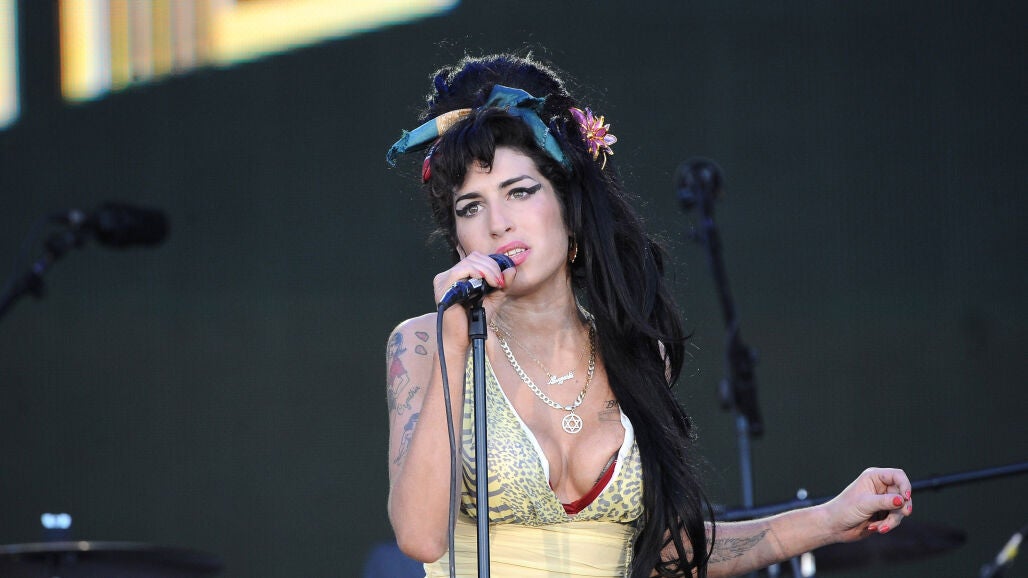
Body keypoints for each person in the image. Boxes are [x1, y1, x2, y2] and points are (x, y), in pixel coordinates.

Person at [384, 53, 912, 578]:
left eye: (520, 192)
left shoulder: (632, 351)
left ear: (570, 207)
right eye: (471, 206)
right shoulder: (427, 343)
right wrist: (455, 341)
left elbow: (670, 553)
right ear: (459, 239)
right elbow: (420, 537)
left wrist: (828, 519)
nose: (497, 223)